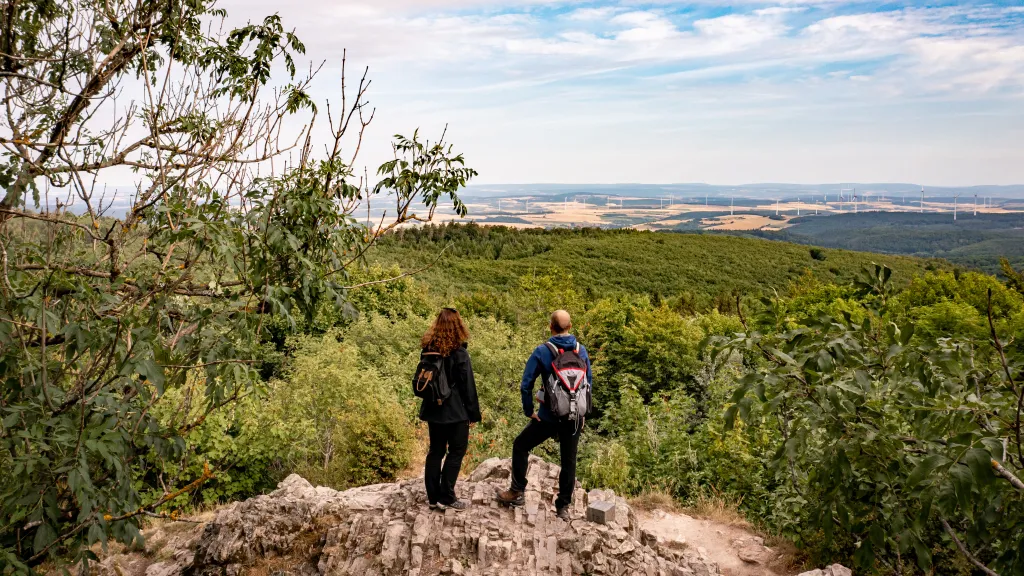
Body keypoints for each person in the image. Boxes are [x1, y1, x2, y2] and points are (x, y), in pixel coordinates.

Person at [496, 310, 592, 520]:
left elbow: (526, 384)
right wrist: (581, 413)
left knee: (521, 445)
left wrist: (529, 410)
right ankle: (563, 507)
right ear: (570, 325)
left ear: (551, 327)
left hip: (548, 417)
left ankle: (517, 491)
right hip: (573, 418)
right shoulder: (581, 351)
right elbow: (588, 385)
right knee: (569, 461)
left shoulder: (542, 351)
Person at [419, 308, 481, 511]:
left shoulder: (428, 348)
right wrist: (473, 414)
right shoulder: (460, 353)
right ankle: (446, 495)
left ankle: (432, 497)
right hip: (455, 411)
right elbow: (467, 387)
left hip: (433, 409)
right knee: (456, 451)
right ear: (458, 326)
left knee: (435, 451)